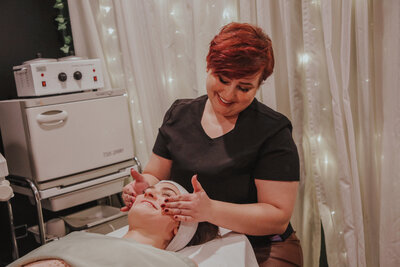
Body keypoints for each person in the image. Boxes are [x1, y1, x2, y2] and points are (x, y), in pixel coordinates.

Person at [122, 22, 303, 266]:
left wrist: (209, 211)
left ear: (260, 84)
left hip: (263, 247)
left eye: (244, 87)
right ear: (209, 66)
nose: (229, 94)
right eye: (223, 78)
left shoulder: (272, 131)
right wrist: (145, 186)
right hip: (191, 243)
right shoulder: (179, 114)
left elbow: (277, 217)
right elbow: (155, 173)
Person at [8, 180, 218, 267]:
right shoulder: (79, 239)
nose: (150, 191)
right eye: (149, 190)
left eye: (167, 195)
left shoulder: (171, 264)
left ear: (178, 228)